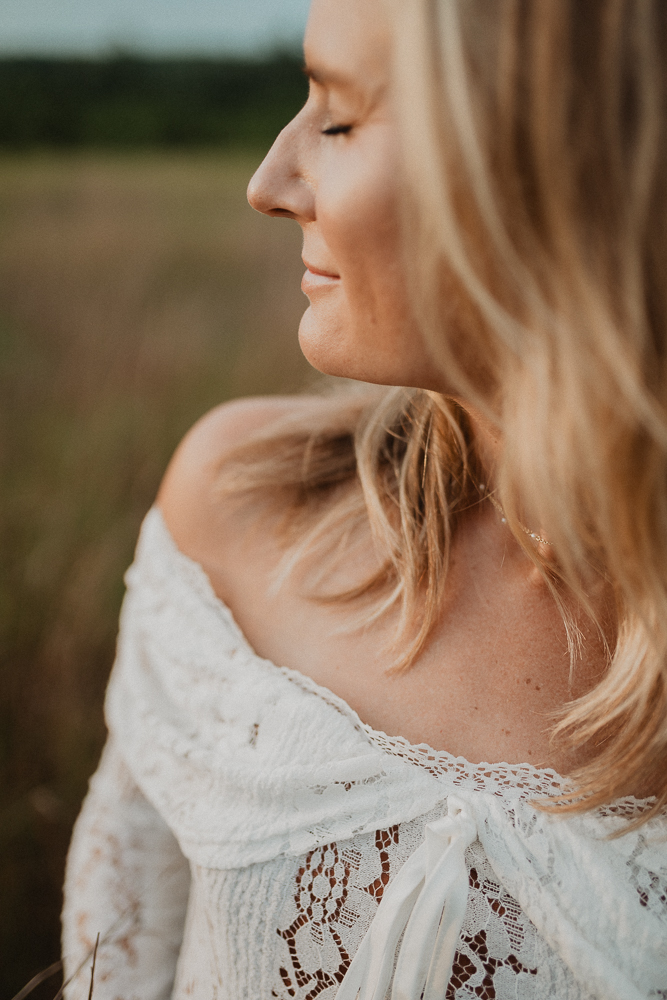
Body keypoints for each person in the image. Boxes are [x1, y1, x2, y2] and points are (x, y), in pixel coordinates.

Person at [61, 0, 667, 997]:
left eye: (336, 119)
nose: (270, 182)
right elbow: (111, 963)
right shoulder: (237, 513)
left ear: (561, 159)